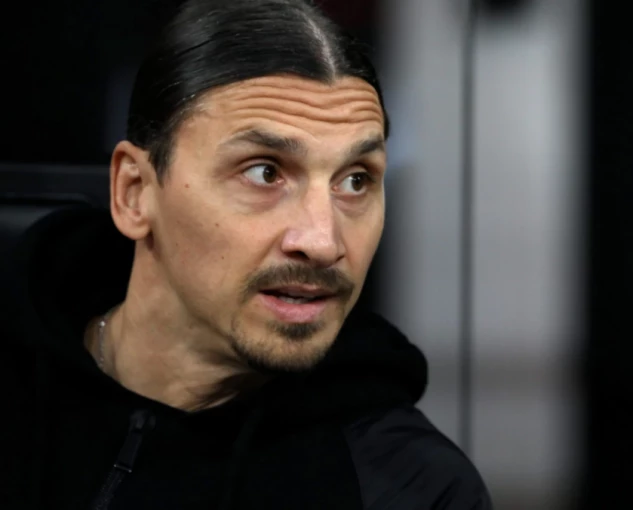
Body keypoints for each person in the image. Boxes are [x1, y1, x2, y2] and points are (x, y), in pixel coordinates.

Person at [0, 0, 492, 508]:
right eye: (264, 173)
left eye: (355, 181)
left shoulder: (412, 487)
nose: (323, 242)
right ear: (134, 193)